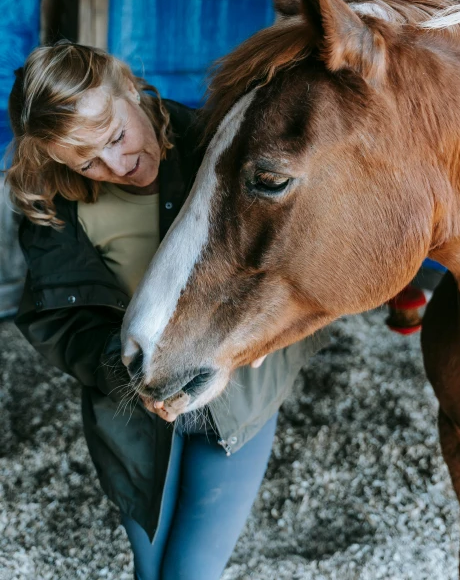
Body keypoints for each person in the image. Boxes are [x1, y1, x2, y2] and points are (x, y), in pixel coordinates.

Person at [6, 42, 328, 580]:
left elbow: (303, 249)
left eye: (115, 137)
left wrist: (269, 330)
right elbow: (61, 322)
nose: (115, 165)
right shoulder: (52, 206)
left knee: (189, 572)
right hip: (131, 400)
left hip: (236, 392)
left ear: (129, 86)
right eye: (86, 161)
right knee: (150, 568)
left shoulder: (226, 145)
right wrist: (129, 374)